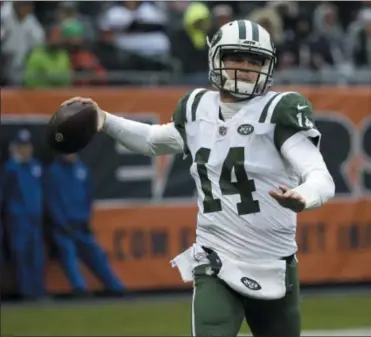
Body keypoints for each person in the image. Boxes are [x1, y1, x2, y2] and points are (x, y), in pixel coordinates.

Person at [61, 20, 335, 337]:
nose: (246, 67)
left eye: (254, 61)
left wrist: (305, 195)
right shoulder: (196, 107)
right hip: (215, 257)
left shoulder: (278, 110)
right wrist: (104, 120)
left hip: (275, 261)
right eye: (236, 57)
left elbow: (320, 176)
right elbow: (152, 140)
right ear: (217, 58)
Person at [44, 153, 125, 297]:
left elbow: (88, 196)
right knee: (68, 255)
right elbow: (51, 201)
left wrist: (87, 218)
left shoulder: (82, 169)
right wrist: (60, 222)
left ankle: (115, 287)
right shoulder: (53, 172)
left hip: (81, 224)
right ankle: (80, 288)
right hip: (63, 226)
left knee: (97, 255)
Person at [0, 129, 46, 300]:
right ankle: (26, 292)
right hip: (18, 219)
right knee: (21, 254)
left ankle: (38, 291)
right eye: (21, 146)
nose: (25, 150)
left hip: (36, 218)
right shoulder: (10, 168)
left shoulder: (36, 166)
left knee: (37, 256)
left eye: (27, 146)